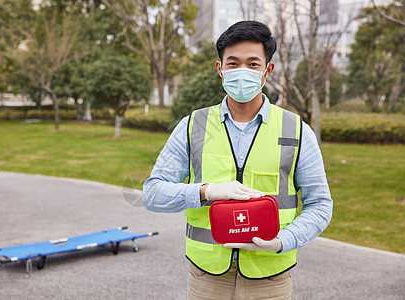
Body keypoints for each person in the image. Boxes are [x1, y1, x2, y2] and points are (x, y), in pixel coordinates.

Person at [142, 20, 333, 300]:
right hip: (207, 276)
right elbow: (152, 193)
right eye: (233, 63)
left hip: (271, 279)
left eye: (253, 64)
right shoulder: (192, 125)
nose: (242, 71)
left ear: (268, 71)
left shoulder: (297, 131)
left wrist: (283, 242)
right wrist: (205, 191)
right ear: (220, 69)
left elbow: (320, 204)